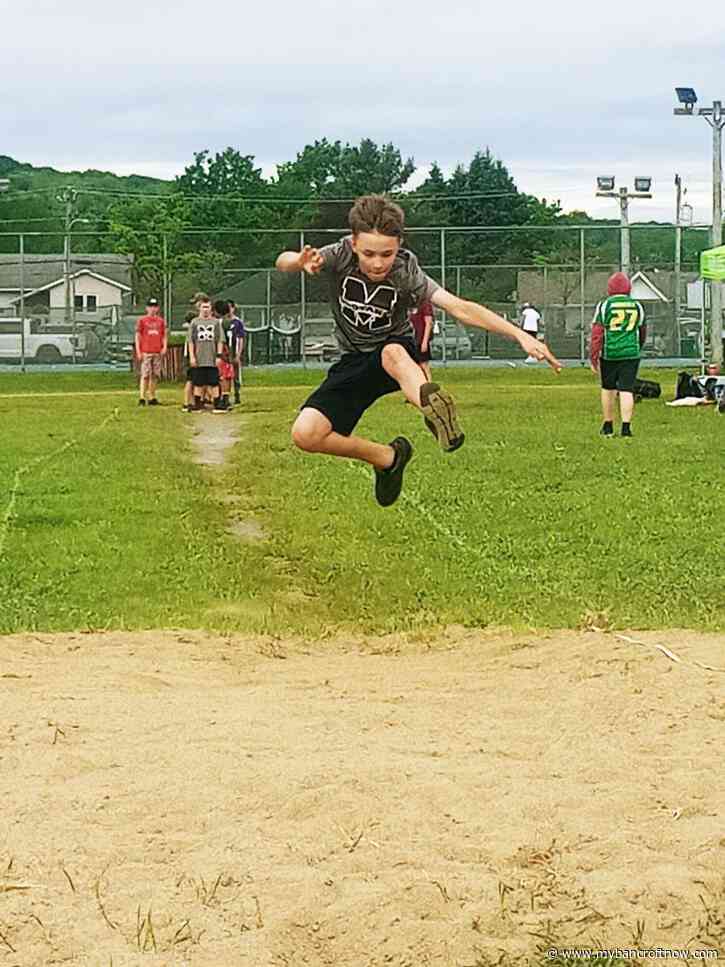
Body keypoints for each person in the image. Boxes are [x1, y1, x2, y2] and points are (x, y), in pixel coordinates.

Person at [276, 194, 560, 507]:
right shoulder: (338, 255)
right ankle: (388, 458)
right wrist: (299, 262)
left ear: (399, 244)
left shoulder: (405, 270)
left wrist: (520, 335)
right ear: (354, 242)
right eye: (369, 253)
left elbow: (459, 307)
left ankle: (429, 405)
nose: (378, 262)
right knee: (306, 434)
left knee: (392, 354)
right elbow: (283, 261)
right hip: (354, 359)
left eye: (387, 253)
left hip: (395, 349)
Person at [590, 272, 646, 438]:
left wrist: (593, 355)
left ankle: (608, 425)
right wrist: (638, 347)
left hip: (610, 353)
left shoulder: (604, 305)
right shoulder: (637, 306)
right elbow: (642, 330)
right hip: (631, 353)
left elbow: (597, 332)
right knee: (627, 389)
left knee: (608, 388)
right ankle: (626, 428)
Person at [187, 299, 226, 413]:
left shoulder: (215, 323)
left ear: (211, 309)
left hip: (212, 358)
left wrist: (219, 356)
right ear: (199, 308)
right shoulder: (194, 322)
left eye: (207, 307)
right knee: (198, 382)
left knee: (214, 382)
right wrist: (192, 357)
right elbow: (190, 341)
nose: (205, 310)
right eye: (203, 307)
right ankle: (197, 404)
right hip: (199, 358)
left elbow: (220, 340)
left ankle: (217, 404)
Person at [134, 298, 167, 406]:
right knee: (145, 374)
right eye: (150, 307)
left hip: (157, 351)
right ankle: (142, 397)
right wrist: (139, 351)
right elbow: (138, 336)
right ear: (147, 308)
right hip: (146, 351)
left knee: (155, 375)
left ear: (157, 308)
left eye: (155, 307)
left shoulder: (160, 321)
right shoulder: (142, 321)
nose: (152, 309)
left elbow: (164, 335)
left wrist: (164, 347)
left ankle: (152, 396)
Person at [409, 299, 434, 381]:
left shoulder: (425, 304)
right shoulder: (411, 304)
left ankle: (429, 384)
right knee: (415, 364)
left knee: (424, 364)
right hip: (413, 340)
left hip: (421, 339)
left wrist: (424, 342)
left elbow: (429, 323)